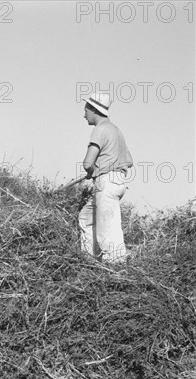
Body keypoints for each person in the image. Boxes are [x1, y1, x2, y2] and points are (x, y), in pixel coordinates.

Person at [79, 92, 133, 263]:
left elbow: (88, 163)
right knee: (86, 218)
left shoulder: (99, 130)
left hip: (106, 182)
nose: (84, 114)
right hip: (118, 181)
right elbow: (129, 161)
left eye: (86, 110)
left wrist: (95, 169)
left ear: (94, 110)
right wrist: (106, 164)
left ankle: (116, 266)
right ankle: (89, 260)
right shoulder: (117, 131)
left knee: (107, 229)